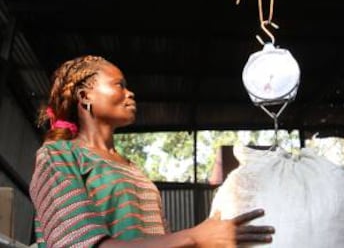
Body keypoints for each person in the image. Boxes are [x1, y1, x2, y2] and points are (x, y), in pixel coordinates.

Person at [30, 55, 275, 247]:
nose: (130, 93)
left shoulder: (133, 169)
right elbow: (77, 244)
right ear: (85, 97)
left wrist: (209, 238)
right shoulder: (57, 156)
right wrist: (195, 238)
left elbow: (159, 240)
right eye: (119, 85)